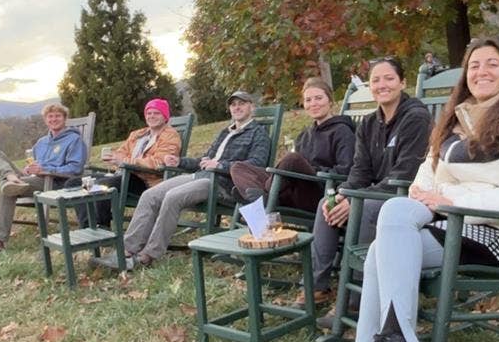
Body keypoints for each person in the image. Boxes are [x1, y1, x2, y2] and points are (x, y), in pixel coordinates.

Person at [298, 35, 499, 342]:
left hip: (497, 235)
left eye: (492, 64)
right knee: (386, 233)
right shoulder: (457, 120)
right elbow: (426, 178)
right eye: (474, 65)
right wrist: (425, 199)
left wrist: (449, 199)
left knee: (382, 245)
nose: (481, 71)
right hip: (448, 227)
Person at [309, 58, 432, 308]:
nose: (381, 85)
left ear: (402, 82)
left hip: (407, 197)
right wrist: (344, 194)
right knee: (328, 203)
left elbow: (406, 174)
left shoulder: (416, 118)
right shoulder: (368, 123)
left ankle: (357, 301)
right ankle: (318, 287)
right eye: (375, 80)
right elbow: (360, 171)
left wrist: (357, 199)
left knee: (364, 210)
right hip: (375, 193)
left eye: (389, 78)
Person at [106, 90, 271, 268]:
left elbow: (257, 165)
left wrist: (221, 165)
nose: (237, 107)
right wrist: (180, 161)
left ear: (251, 107)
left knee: (173, 197)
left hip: (223, 184)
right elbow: (204, 160)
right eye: (233, 104)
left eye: (242, 103)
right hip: (201, 176)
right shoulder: (225, 132)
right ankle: (127, 250)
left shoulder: (258, 132)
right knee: (150, 195)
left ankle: (148, 255)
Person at [230, 77, 355, 213]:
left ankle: (261, 198)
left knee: (292, 159)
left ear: (330, 101)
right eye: (308, 100)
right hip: (291, 189)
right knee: (238, 167)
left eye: (318, 98)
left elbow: (346, 171)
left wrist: (314, 170)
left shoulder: (342, 131)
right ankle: (264, 198)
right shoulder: (305, 134)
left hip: (319, 192)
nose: (313, 103)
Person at [0, 102, 87, 254]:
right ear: (45, 120)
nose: (53, 119)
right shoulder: (41, 142)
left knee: (6, 188)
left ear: (65, 118)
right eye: (50, 116)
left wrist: (45, 169)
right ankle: (9, 175)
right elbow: (33, 162)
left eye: (58, 116)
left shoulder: (74, 140)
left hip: (55, 181)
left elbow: (75, 168)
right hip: (32, 178)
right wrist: (28, 169)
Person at [66, 98, 181, 227]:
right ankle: (89, 225)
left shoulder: (170, 136)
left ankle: (101, 226)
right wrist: (115, 158)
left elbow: (159, 162)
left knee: (102, 185)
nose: (151, 116)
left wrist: (126, 161)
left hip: (146, 180)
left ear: (165, 116)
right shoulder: (138, 134)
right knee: (75, 183)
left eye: (156, 113)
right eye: (149, 113)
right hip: (123, 175)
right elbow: (121, 152)